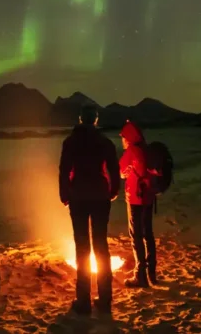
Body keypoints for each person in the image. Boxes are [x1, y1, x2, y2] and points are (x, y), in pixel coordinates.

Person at [59, 104, 120, 315]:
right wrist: (113, 190)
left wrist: (64, 193)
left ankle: (83, 301)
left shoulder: (70, 142)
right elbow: (114, 168)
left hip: (79, 196)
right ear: (95, 120)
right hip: (100, 196)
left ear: (80, 119)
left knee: (82, 247)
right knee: (101, 246)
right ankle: (105, 299)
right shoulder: (104, 142)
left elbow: (64, 169)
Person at [119, 120, 157, 287]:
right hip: (149, 196)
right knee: (148, 234)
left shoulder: (132, 151)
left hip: (135, 197)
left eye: (123, 137)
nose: (122, 140)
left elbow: (120, 172)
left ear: (128, 138)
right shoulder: (146, 149)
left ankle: (140, 276)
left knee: (136, 235)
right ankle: (152, 273)